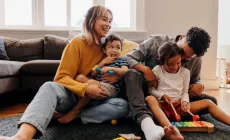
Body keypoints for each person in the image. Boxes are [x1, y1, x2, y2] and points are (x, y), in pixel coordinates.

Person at [0, 5, 129, 140]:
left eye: (110, 21)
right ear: (91, 20)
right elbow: (61, 77)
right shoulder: (77, 43)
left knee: (122, 106)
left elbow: (121, 66)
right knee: (49, 86)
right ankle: (22, 136)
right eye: (104, 19)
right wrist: (85, 88)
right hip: (72, 96)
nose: (108, 24)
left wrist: (116, 76)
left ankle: (75, 116)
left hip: (94, 101)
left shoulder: (107, 48)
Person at [124, 27, 216, 140]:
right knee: (131, 74)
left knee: (212, 102)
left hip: (175, 99)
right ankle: (145, 120)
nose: (182, 59)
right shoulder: (155, 41)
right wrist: (145, 69)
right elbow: (128, 57)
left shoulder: (196, 59)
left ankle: (160, 115)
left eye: (187, 58)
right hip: (147, 93)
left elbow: (195, 81)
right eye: (182, 53)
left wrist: (200, 85)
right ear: (182, 38)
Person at [146, 42, 230, 136]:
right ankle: (171, 130)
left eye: (178, 63)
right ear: (161, 61)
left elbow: (185, 92)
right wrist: (162, 96)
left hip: (178, 108)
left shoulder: (185, 72)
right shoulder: (157, 70)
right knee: (149, 99)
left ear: (181, 58)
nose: (174, 67)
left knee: (209, 102)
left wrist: (185, 102)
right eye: (170, 64)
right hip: (161, 107)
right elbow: (151, 90)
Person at [58, 34, 129, 124]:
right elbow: (93, 72)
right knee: (80, 77)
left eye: (118, 48)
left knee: (91, 83)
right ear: (104, 50)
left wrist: (112, 69)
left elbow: (125, 71)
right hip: (95, 87)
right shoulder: (102, 60)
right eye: (111, 47)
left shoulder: (121, 60)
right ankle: (79, 109)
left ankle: (76, 111)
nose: (115, 50)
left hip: (110, 88)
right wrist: (102, 63)